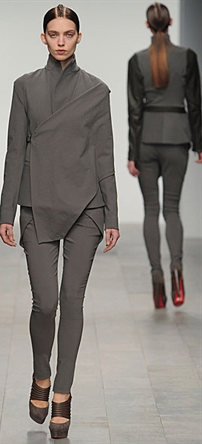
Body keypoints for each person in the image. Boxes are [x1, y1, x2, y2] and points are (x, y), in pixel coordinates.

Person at [0, 4, 119, 439]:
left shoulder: (97, 91)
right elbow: (15, 149)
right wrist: (6, 210)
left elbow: (104, 152)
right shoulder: (25, 87)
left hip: (86, 205)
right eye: (54, 34)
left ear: (79, 38)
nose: (62, 40)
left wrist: (112, 213)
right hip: (37, 202)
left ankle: (63, 393)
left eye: (69, 34)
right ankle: (41, 374)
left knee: (72, 299)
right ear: (44, 38)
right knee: (45, 302)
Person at [127, 2, 201, 309]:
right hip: (177, 138)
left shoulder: (137, 60)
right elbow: (195, 104)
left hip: (146, 139)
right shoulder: (187, 56)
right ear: (170, 22)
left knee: (150, 210)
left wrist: (132, 152)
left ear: (147, 25)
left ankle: (156, 278)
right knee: (172, 209)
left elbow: (134, 110)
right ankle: (177, 270)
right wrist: (199, 144)